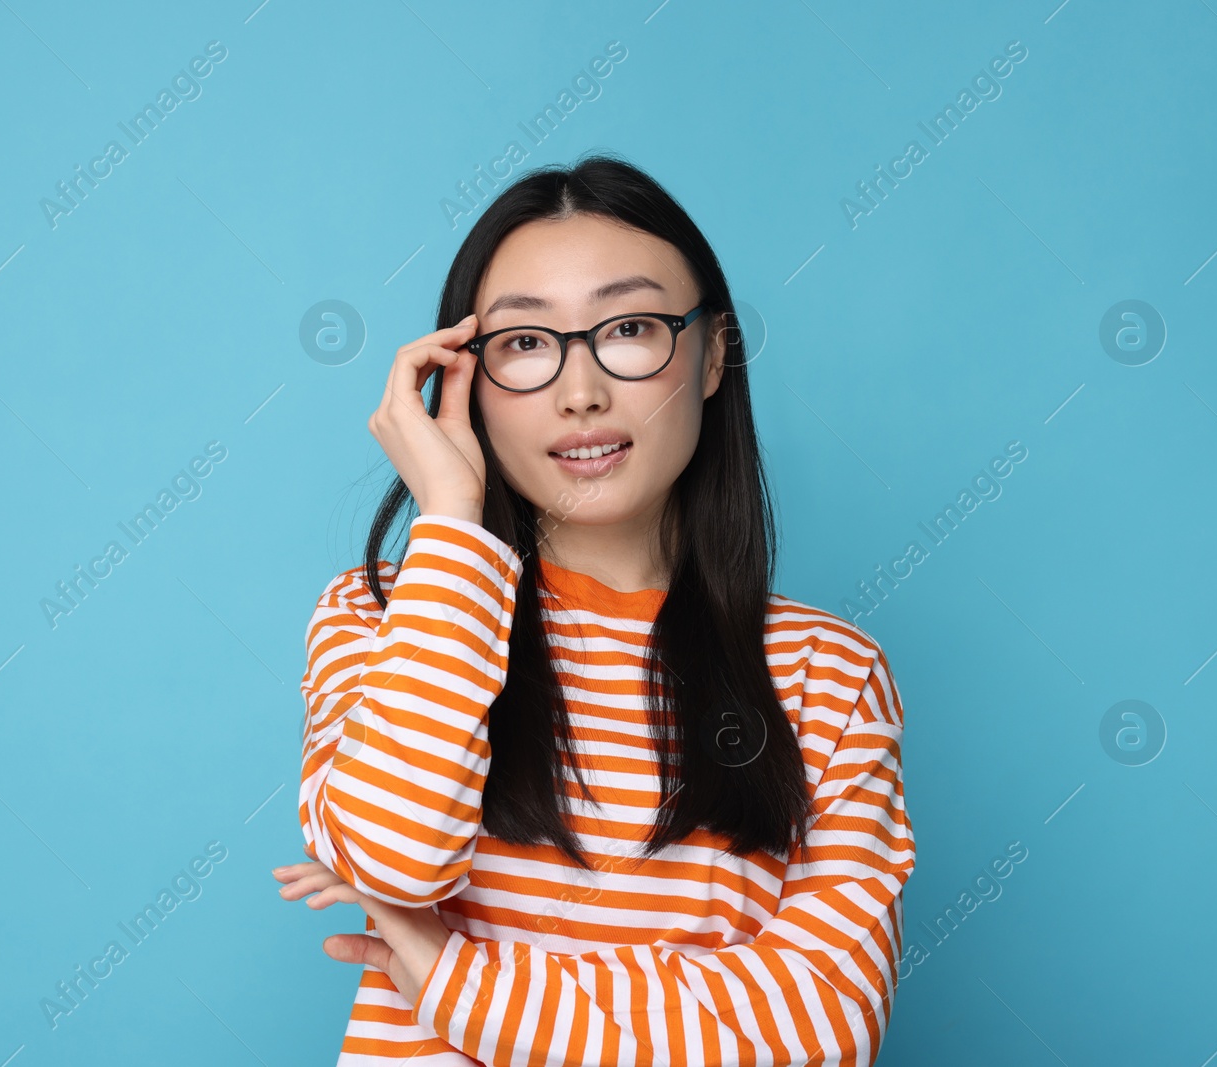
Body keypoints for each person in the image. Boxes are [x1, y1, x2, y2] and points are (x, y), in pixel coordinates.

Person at [274, 153, 915, 1066]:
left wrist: (453, 977)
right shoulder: (386, 615)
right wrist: (453, 525)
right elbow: (396, 857)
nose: (581, 392)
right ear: (464, 381)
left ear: (711, 356)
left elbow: (819, 1028)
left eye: (629, 329)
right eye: (525, 344)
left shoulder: (830, 673)